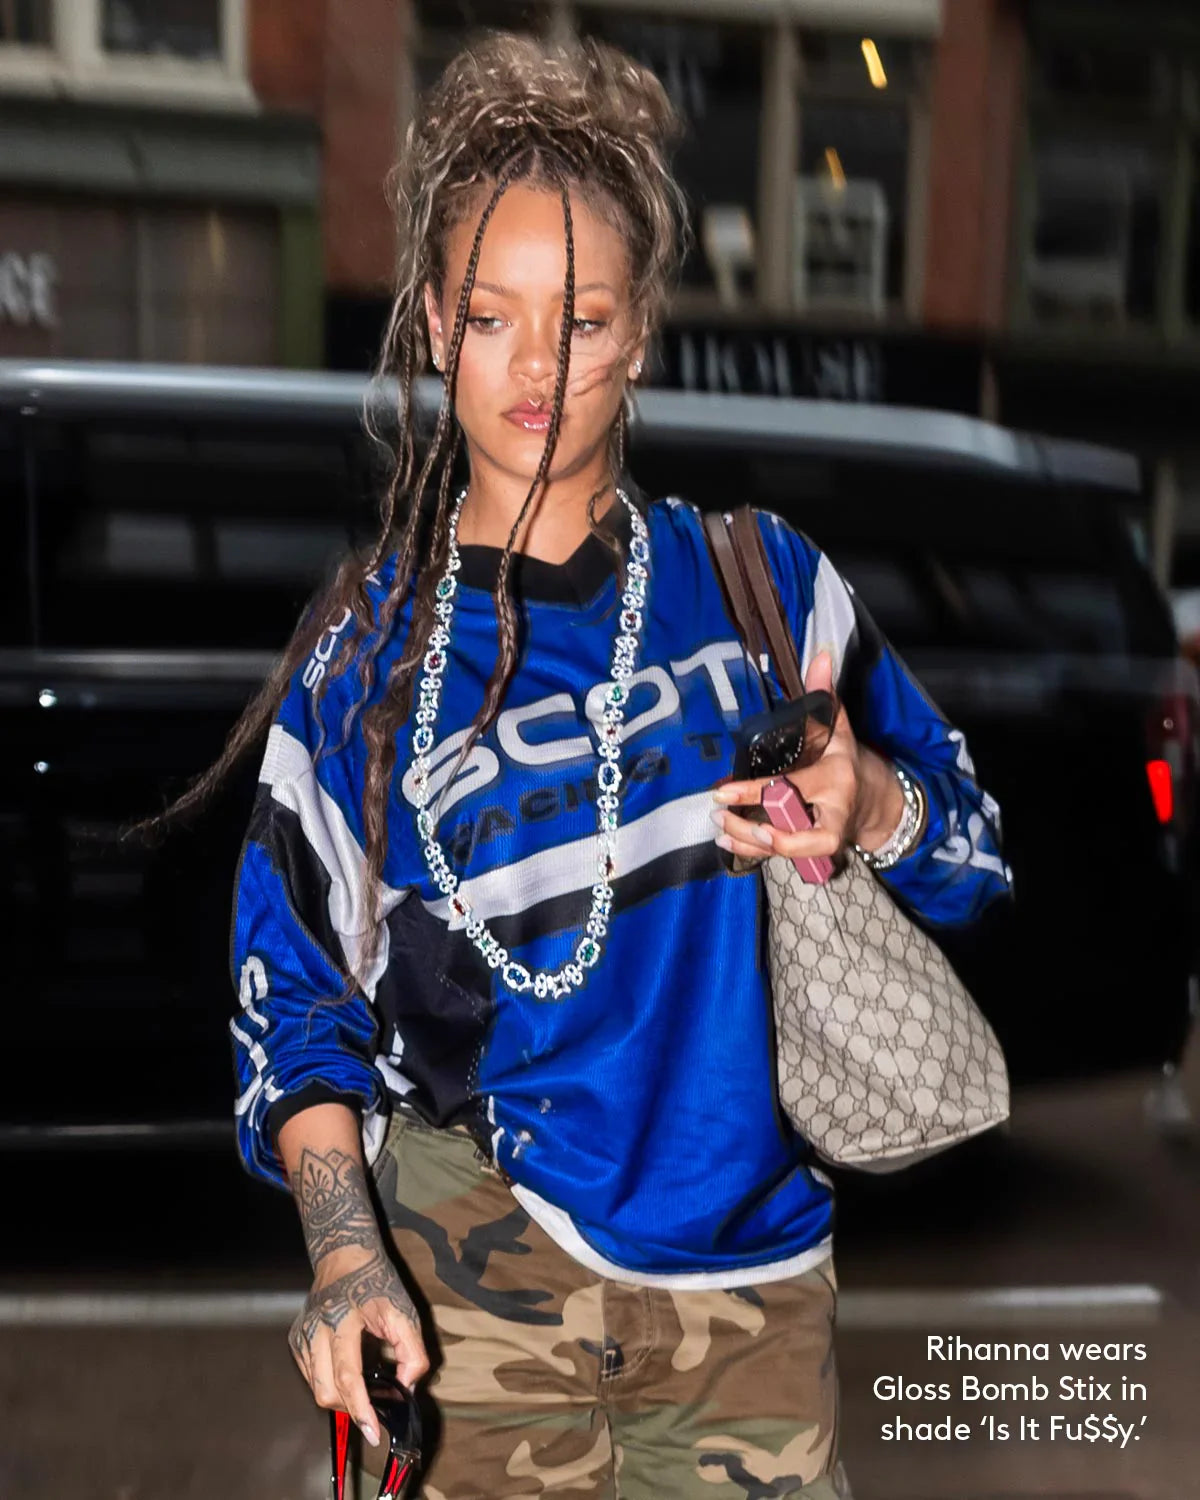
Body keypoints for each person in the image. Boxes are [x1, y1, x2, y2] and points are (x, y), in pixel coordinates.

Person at [220, 31, 1012, 1500]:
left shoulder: (763, 589)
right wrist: (344, 1254)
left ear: (639, 332)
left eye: (582, 320)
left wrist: (871, 804)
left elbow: (975, 853)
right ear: (434, 327)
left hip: (751, 1300)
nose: (537, 367)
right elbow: (294, 1002)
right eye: (490, 316)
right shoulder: (365, 658)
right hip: (472, 1288)